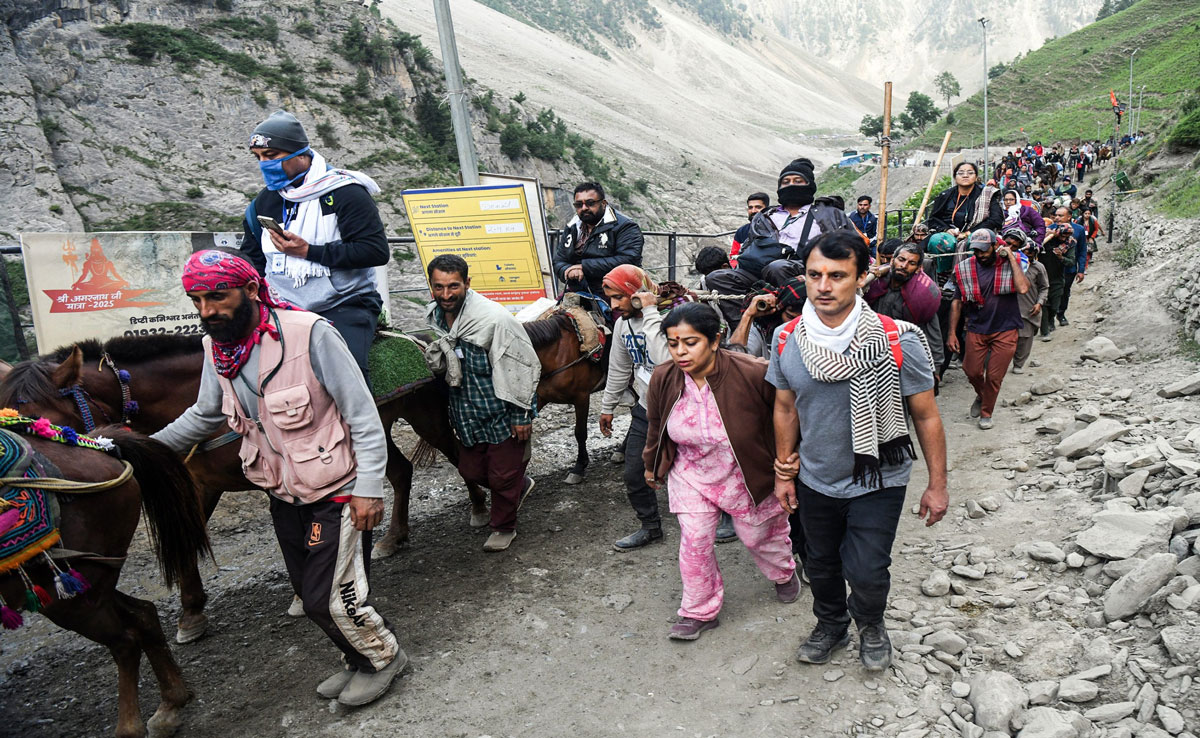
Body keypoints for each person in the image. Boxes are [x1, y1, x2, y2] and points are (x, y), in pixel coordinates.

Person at [152, 250, 403, 707]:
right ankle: (356, 657)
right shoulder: (218, 348)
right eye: (197, 300)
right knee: (308, 589)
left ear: (250, 290)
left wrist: (369, 488)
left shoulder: (311, 334)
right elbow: (205, 414)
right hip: (285, 491)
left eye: (217, 297)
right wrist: (142, 451)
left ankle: (382, 658)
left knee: (327, 596)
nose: (207, 310)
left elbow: (363, 416)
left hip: (339, 489)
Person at [768, 230, 948, 672]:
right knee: (821, 564)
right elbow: (785, 406)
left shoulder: (897, 339)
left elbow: (925, 415)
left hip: (879, 476)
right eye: (814, 275)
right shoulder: (787, 338)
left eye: (837, 275)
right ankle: (830, 625)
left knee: (867, 569)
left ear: (863, 276)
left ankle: (870, 624)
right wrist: (784, 471)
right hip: (815, 476)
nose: (823, 286)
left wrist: (937, 484)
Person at [643, 303, 799, 641]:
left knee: (757, 536)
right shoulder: (663, 378)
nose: (680, 352)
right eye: (673, 343)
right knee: (695, 540)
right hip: (691, 472)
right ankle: (699, 611)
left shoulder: (754, 372)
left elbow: (788, 415)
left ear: (715, 340)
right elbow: (656, 426)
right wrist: (651, 464)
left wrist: (788, 463)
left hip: (745, 472)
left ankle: (784, 572)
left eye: (691, 342)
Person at [240, 111, 389, 377]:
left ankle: (360, 419)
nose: (264, 164)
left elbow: (374, 250)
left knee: (344, 372)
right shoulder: (264, 203)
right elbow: (252, 259)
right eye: (259, 157)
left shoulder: (347, 192)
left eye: (271, 156)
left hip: (345, 304)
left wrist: (308, 252)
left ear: (300, 154)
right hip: (281, 306)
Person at [423, 255, 540, 553]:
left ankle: (503, 526)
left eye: (453, 286)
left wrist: (522, 413)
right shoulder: (434, 317)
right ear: (431, 286)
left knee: (501, 475)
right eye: (439, 287)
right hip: (466, 411)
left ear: (467, 284)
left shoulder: (493, 319)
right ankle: (519, 484)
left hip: (500, 411)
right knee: (471, 471)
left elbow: (521, 365)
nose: (446, 295)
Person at [599, 265, 670, 551]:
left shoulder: (669, 317)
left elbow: (664, 359)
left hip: (681, 408)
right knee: (633, 472)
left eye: (619, 297)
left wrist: (650, 312)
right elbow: (619, 368)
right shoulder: (621, 324)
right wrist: (608, 407)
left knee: (702, 467)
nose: (614, 306)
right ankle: (651, 527)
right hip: (646, 408)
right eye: (610, 299)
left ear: (637, 293)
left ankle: (727, 515)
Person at [946, 229, 1031, 429]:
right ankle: (982, 395)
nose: (980, 254)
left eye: (984, 250)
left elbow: (1023, 288)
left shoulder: (1010, 265)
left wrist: (1010, 256)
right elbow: (957, 302)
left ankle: (986, 412)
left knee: (994, 376)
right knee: (971, 370)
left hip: (1006, 328)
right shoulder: (965, 268)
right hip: (976, 326)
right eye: (976, 251)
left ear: (995, 246)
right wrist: (951, 333)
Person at [735, 158, 861, 283]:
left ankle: (785, 300)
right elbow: (746, 248)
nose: (791, 185)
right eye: (786, 181)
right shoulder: (764, 216)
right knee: (719, 277)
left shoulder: (831, 214)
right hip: (761, 269)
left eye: (798, 181)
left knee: (777, 267)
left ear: (809, 185)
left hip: (812, 271)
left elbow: (854, 248)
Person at [552, 182, 645, 298]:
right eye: (579, 204)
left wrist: (584, 267)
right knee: (544, 314)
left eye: (590, 203)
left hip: (618, 292)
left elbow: (628, 260)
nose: (584, 208)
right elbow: (559, 260)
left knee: (619, 316)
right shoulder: (573, 226)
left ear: (603, 203)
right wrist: (567, 270)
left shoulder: (625, 226)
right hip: (578, 290)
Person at [865, 243, 945, 371]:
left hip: (907, 358)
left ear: (918, 268)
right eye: (901, 260)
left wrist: (935, 366)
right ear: (892, 260)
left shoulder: (921, 295)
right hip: (873, 355)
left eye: (911, 263)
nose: (904, 266)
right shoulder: (873, 284)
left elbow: (932, 331)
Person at [925, 162, 1003, 239]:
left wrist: (969, 233)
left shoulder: (987, 194)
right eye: (961, 173)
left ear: (976, 177)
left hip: (977, 236)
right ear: (955, 178)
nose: (965, 176)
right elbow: (933, 219)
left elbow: (996, 219)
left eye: (970, 173)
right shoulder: (945, 195)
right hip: (947, 237)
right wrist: (946, 230)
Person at [1010, 230, 1049, 375]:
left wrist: (1039, 303)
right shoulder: (1010, 265)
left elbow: (1044, 287)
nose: (1028, 255)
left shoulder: (1038, 268)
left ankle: (1019, 363)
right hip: (1010, 307)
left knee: (1024, 338)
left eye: (1031, 253)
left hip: (1028, 309)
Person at [1039, 208, 1078, 340]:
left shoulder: (1069, 244)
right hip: (1042, 277)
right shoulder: (1047, 239)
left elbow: (1071, 261)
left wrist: (1061, 257)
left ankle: (1051, 320)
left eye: (1065, 237)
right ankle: (1045, 331)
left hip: (1057, 278)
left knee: (1055, 305)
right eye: (1061, 236)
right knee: (1043, 303)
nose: (1063, 238)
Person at [1056, 207, 1089, 327]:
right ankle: (1049, 319)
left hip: (1069, 268)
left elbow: (1082, 251)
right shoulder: (1051, 229)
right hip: (1053, 268)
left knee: (1065, 292)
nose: (1057, 218)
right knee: (1051, 292)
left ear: (1069, 216)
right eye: (1056, 215)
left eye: (1061, 215)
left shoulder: (1078, 230)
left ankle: (1061, 314)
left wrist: (1081, 270)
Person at [729, 193, 771, 267]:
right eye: (750, 207)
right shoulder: (741, 231)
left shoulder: (776, 229)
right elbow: (734, 256)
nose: (753, 211)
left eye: (758, 207)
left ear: (767, 208)